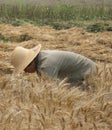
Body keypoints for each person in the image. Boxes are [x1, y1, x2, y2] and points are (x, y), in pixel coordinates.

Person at [11, 44, 97, 86]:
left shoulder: (46, 65)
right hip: (76, 75)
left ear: (31, 62)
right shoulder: (41, 58)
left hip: (88, 73)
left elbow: (50, 89)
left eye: (25, 68)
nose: (25, 71)